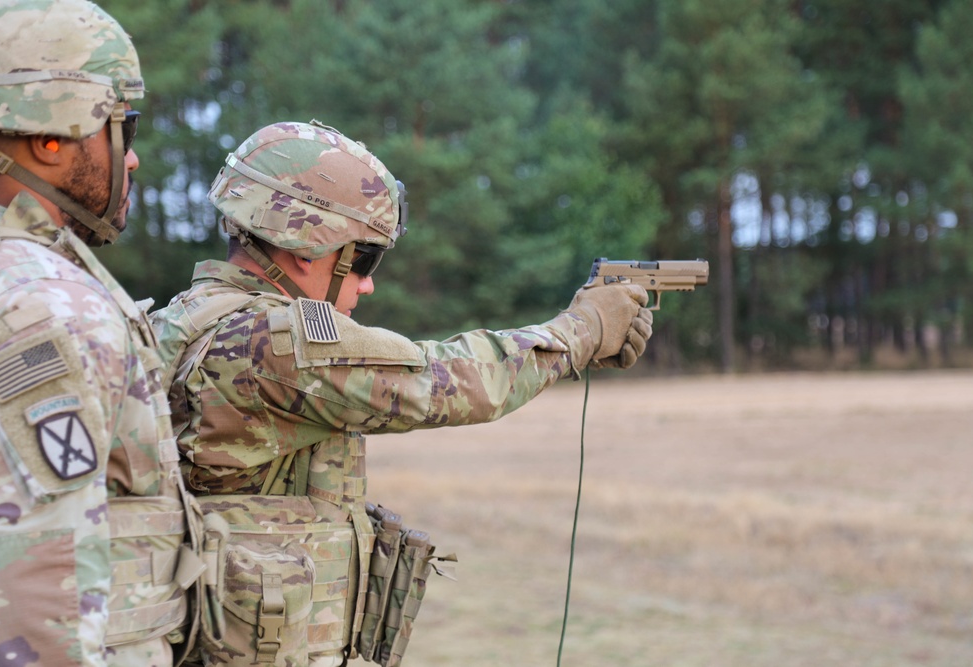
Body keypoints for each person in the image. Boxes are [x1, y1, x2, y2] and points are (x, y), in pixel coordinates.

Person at [150, 120, 653, 667]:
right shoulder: (270, 343)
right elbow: (450, 383)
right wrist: (578, 331)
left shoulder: (177, 321)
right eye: (363, 258)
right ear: (308, 248)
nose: (367, 283)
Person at [0, 2, 204, 666]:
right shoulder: (40, 303)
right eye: (121, 128)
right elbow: (32, 597)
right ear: (52, 136)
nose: (130, 160)